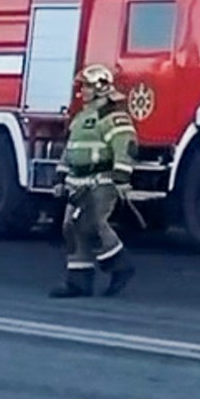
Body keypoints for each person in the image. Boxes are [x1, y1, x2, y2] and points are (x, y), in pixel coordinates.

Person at [51, 65, 138, 298]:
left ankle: (121, 266)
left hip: (101, 181)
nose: (83, 91)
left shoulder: (112, 116)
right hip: (77, 182)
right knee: (71, 227)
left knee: (93, 224)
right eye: (83, 86)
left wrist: (121, 177)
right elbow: (70, 149)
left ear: (101, 87)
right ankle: (78, 281)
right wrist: (61, 176)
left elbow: (125, 147)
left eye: (88, 86)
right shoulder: (81, 117)